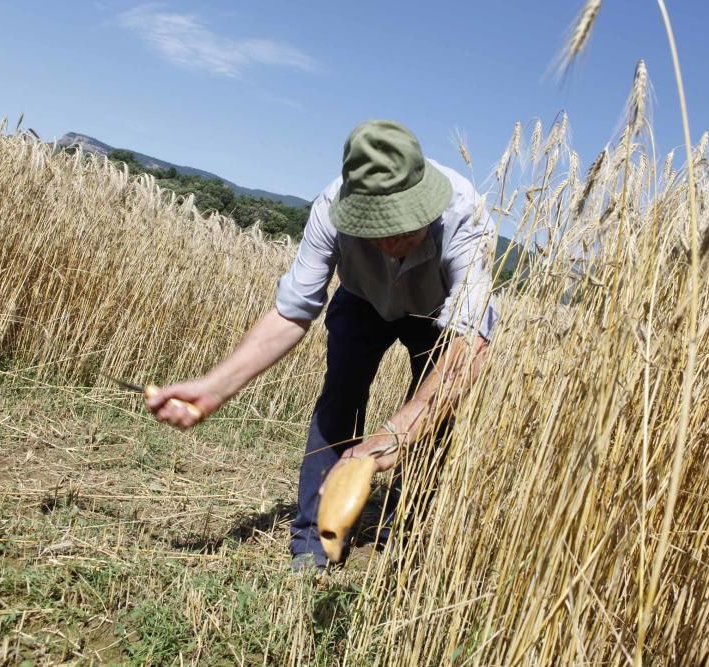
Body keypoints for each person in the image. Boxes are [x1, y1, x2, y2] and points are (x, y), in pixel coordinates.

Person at [147, 119, 498, 569]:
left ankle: (404, 529)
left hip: (436, 317)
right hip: (361, 299)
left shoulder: (465, 214)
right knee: (339, 401)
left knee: (434, 419)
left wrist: (394, 436)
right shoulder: (330, 207)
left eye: (405, 227)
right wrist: (214, 388)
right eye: (379, 228)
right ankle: (313, 539)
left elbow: (470, 344)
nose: (392, 242)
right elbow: (292, 312)